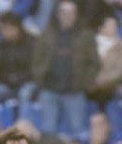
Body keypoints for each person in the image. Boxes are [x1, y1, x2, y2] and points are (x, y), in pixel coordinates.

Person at [31, 0, 99, 134]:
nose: (68, 16)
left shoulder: (86, 35)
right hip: (50, 90)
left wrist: (85, 83)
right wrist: (40, 79)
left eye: (71, 13)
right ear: (58, 14)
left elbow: (94, 63)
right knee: (48, 130)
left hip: (74, 91)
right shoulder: (47, 34)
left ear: (76, 15)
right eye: (64, 12)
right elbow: (37, 60)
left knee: (77, 131)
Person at [0, 12, 36, 104]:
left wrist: (19, 78)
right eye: (1, 30)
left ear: (15, 27)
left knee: (24, 94)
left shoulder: (32, 43)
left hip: (28, 82)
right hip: (7, 85)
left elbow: (36, 69)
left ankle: (23, 118)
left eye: (4, 29)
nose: (2, 32)